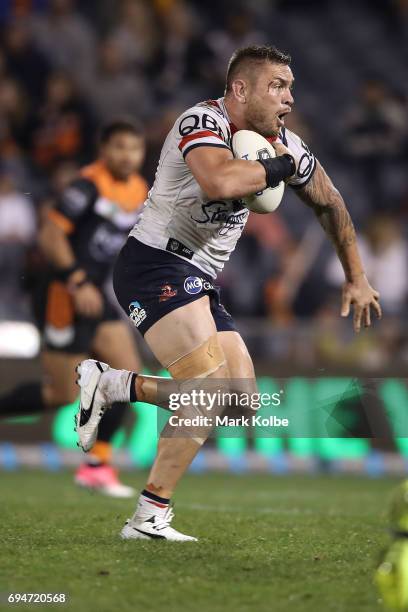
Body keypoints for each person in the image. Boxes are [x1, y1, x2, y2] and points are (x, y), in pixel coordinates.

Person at [75, 45, 381, 540]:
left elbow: (329, 200)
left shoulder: (282, 143)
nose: (289, 98)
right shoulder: (202, 121)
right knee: (206, 389)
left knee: (240, 401)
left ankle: (114, 385)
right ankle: (149, 516)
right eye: (277, 86)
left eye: (291, 87)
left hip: (199, 279)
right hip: (154, 262)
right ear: (240, 89)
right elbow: (218, 181)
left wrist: (357, 275)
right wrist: (280, 169)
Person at [0, 120, 148, 497]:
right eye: (119, 147)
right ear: (103, 150)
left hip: (93, 295)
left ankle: (97, 467)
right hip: (62, 294)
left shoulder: (138, 190)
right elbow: (50, 235)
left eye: (134, 148)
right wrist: (76, 279)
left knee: (130, 378)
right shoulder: (87, 186)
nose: (127, 155)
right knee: (61, 394)